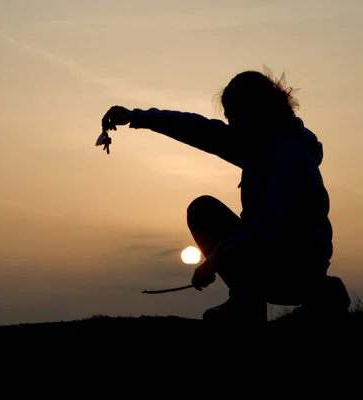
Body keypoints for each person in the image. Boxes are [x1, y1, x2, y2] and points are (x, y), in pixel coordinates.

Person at [101, 67, 351, 323]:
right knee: (202, 209)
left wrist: (215, 259)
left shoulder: (288, 154)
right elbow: (198, 129)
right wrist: (136, 117)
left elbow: (271, 222)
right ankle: (287, 297)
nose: (230, 124)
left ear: (253, 112)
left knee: (205, 212)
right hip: (276, 261)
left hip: (292, 268)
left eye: (233, 117)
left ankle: (256, 302)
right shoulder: (259, 144)